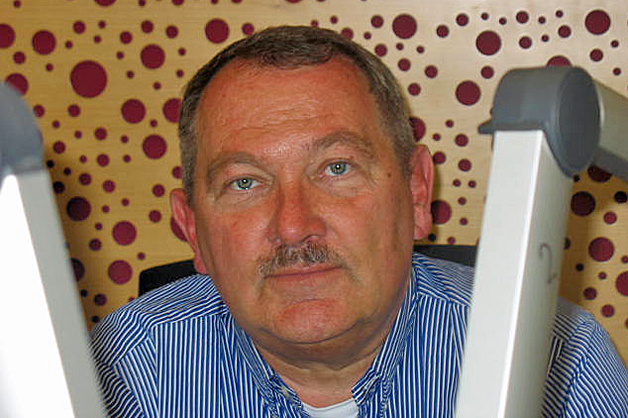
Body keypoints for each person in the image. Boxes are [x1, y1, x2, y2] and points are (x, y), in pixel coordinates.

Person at [90, 25, 628, 417]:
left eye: (337, 168)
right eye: (245, 182)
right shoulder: (121, 372)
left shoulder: (559, 361)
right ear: (193, 230)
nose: (293, 225)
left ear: (417, 193)